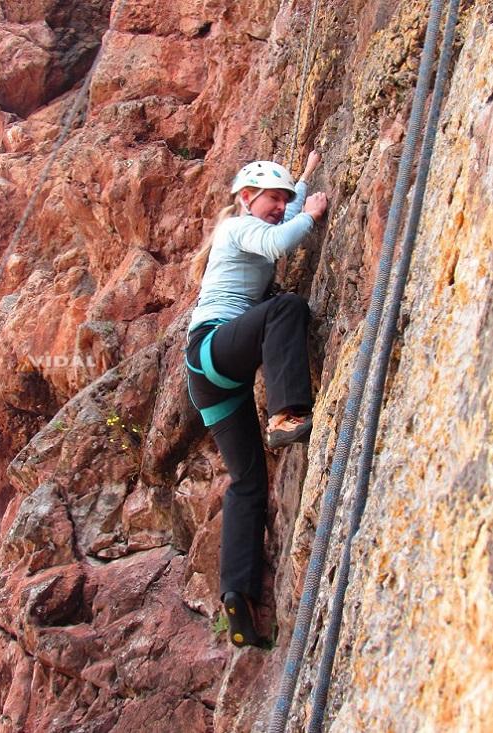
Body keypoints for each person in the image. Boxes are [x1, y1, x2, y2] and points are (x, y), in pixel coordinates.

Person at [186, 152, 327, 646]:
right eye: (272, 197)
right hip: (213, 348)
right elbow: (277, 239)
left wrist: (302, 182)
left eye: (284, 199)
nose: (279, 206)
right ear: (247, 198)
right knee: (284, 307)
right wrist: (310, 213)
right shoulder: (237, 228)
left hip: (210, 376)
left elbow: (282, 221)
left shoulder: (260, 218)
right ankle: (286, 414)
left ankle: (237, 601)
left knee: (248, 483)